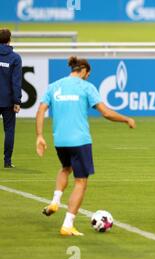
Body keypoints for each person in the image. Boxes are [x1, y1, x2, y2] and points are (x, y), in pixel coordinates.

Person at [36, 56, 136, 236]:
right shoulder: (86, 87)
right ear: (84, 71)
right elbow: (105, 113)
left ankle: (55, 201)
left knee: (65, 168)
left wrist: (40, 136)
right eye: (88, 75)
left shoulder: (54, 86)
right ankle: (67, 224)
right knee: (81, 181)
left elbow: (41, 109)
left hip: (60, 140)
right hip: (80, 140)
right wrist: (126, 119)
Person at [0, 28, 22, 168]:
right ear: (9, 40)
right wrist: (17, 101)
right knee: (9, 130)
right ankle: (7, 161)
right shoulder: (15, 58)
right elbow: (16, 81)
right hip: (8, 100)